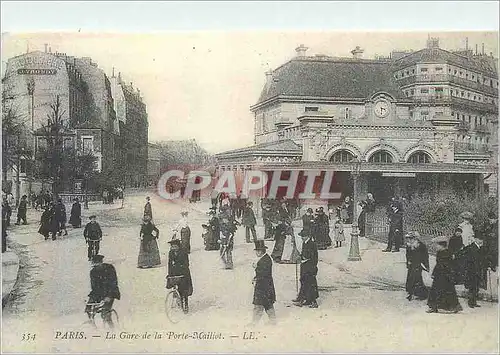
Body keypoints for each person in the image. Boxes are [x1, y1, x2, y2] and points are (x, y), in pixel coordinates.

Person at [426, 236, 462, 313]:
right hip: (439, 275)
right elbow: (438, 264)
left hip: (446, 276)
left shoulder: (446, 253)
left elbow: (448, 266)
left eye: (437, 245)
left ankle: (452, 307)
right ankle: (433, 307)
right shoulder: (440, 252)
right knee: (435, 291)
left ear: (442, 245)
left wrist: (448, 275)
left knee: (447, 291)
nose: (435, 247)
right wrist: (434, 273)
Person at [85, 254, 121, 328]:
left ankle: (111, 328)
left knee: (105, 313)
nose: (95, 267)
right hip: (98, 293)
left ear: (101, 262)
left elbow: (113, 283)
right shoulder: (93, 272)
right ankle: (94, 328)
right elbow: (94, 287)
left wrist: (109, 296)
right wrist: (92, 299)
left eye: (97, 265)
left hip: (110, 292)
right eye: (94, 265)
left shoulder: (109, 269)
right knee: (88, 309)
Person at [251, 240, 276, 325]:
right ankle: (273, 321)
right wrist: (255, 277)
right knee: (267, 304)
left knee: (259, 305)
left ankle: (254, 323)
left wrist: (256, 268)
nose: (256, 253)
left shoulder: (265, 260)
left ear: (260, 251)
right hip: (266, 285)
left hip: (263, 286)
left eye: (256, 251)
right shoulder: (265, 258)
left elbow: (263, 273)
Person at [293, 230, 319, 308]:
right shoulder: (305, 243)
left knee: (310, 284)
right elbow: (304, 254)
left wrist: (301, 257)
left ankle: (313, 302)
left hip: (310, 267)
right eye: (301, 236)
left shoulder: (312, 244)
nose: (302, 238)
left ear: (308, 236)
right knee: (304, 282)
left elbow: (309, 256)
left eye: (303, 236)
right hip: (305, 266)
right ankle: (305, 299)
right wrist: (300, 256)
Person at [167, 239, 193, 313]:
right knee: (175, 287)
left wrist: (181, 270)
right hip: (175, 273)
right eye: (172, 246)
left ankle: (185, 304)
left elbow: (186, 264)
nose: (173, 248)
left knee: (184, 290)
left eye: (175, 246)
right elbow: (169, 264)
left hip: (183, 273)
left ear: (178, 246)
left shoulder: (183, 252)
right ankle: (179, 299)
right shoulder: (171, 253)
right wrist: (170, 274)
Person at [463, 235, 489, 308]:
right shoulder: (471, 247)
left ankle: (474, 302)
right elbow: (468, 259)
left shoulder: (479, 247)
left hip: (477, 271)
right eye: (479, 239)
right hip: (472, 271)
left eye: (482, 239)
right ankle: (471, 302)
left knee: (476, 287)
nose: (481, 241)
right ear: (475, 239)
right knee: (472, 287)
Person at [405, 232, 429, 301]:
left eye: (410, 238)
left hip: (418, 264)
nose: (408, 240)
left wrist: (426, 265)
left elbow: (425, 256)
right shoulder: (409, 245)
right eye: (408, 238)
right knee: (410, 278)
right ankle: (412, 293)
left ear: (415, 238)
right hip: (411, 264)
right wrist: (408, 262)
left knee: (417, 279)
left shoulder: (421, 245)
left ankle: (422, 294)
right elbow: (407, 255)